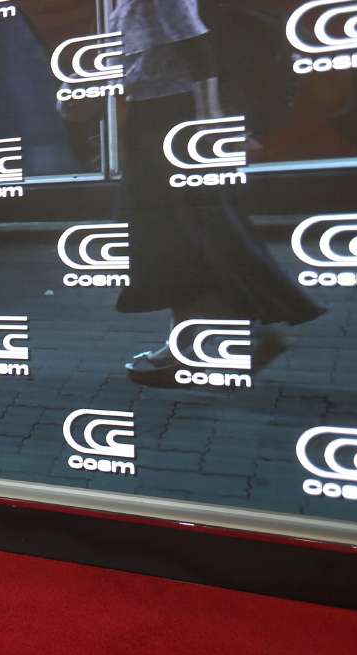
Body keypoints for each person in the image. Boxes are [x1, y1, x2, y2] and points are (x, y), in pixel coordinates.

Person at [109, 0, 322, 385]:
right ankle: (204, 341)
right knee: (180, 231)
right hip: (154, 115)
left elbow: (198, 48)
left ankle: (219, 340)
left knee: (191, 229)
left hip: (172, 117)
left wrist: (206, 128)